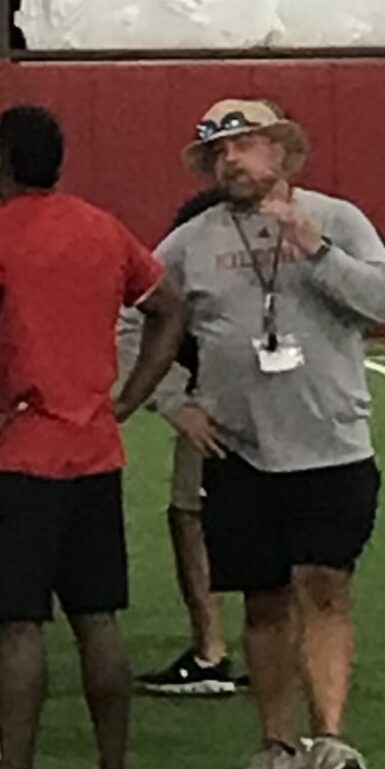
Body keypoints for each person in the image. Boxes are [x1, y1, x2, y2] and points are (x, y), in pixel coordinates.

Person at [0, 105, 184, 769]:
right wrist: (130, 396)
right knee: (96, 617)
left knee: (17, 625)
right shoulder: (101, 226)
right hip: (93, 450)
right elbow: (168, 306)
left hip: (18, 456)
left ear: (2, 160)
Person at [159, 98, 385, 769]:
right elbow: (131, 314)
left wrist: (316, 250)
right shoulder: (190, 241)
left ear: (282, 153)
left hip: (331, 442)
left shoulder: (337, 218)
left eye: (245, 145)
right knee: (262, 601)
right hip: (239, 451)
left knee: (325, 587)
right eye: (218, 151)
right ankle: (276, 744)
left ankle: (330, 739)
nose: (230, 160)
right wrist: (174, 401)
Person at [138, 170, 242, 697]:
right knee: (192, 514)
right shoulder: (197, 231)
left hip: (289, 409)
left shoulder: (313, 225)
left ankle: (219, 649)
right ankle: (211, 647)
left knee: (284, 528)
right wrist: (174, 399)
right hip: (215, 398)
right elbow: (140, 309)